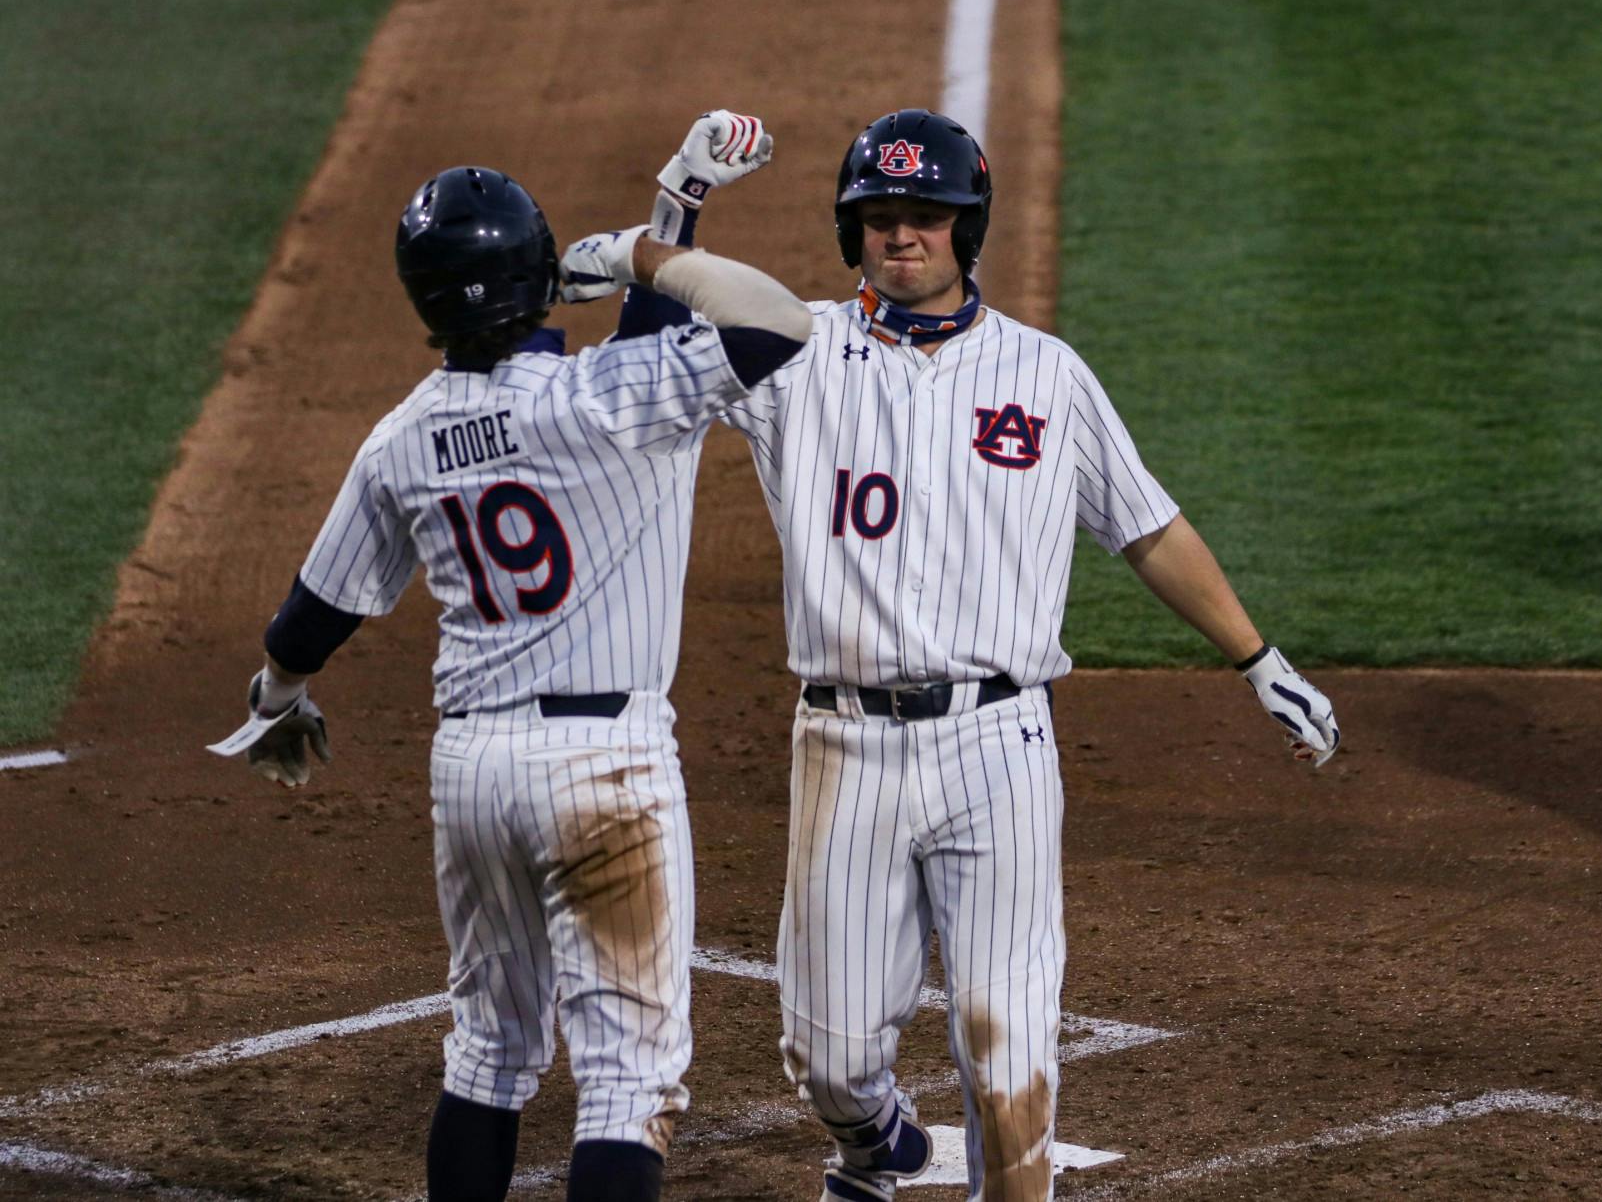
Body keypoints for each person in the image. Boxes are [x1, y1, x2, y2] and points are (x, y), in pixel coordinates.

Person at [619, 108, 1339, 1201]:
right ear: (849, 231)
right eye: (878, 217)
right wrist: (677, 203)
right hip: (843, 745)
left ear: (968, 229)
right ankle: (874, 1145)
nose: (900, 236)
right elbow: (633, 375)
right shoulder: (791, 353)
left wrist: (1258, 658)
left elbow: (1145, 526)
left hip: (998, 746)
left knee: (1008, 1060)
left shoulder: (1046, 375)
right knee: (830, 1058)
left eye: (925, 218)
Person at [208, 118, 807, 1200]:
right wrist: (644, 244)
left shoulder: (405, 435)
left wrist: (276, 698)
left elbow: (311, 616)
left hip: (474, 771)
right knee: (628, 1084)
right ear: (540, 274)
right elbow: (775, 323)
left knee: (488, 1051)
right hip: (605, 772)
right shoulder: (609, 400)